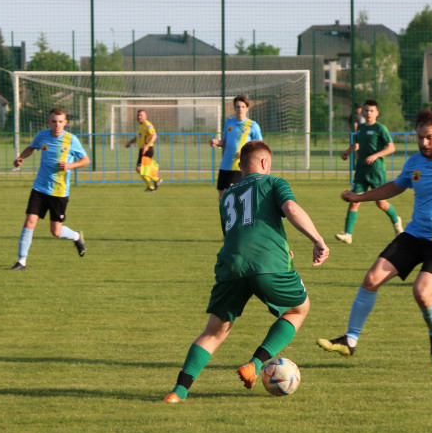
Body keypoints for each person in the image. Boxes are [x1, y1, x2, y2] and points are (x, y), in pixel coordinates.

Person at [317, 109, 432, 368]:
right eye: (420, 137)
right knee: (371, 279)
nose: (424, 143)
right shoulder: (415, 162)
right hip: (413, 236)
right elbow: (396, 186)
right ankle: (350, 340)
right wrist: (359, 198)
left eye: (429, 138)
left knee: (422, 292)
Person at [163, 140, 330, 403]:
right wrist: (318, 240)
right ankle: (254, 364)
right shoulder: (274, 182)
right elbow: (291, 209)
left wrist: (281, 249)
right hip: (266, 265)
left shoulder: (228, 194)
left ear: (241, 166)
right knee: (299, 309)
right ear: (265, 163)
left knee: (214, 331)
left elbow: (237, 233)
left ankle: (178, 392)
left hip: (230, 266)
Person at [9, 107, 91, 270]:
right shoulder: (42, 136)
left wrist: (70, 165)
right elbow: (32, 147)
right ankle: (22, 261)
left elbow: (85, 160)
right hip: (39, 187)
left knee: (56, 231)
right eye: (54, 121)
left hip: (59, 191)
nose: (57, 125)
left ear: (65, 123)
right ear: (48, 122)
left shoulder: (71, 140)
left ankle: (76, 236)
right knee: (30, 221)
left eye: (60, 122)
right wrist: (20, 158)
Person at [336, 99, 402, 243]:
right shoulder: (360, 128)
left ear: (377, 113)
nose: (369, 113)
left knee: (381, 203)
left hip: (376, 171)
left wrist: (376, 155)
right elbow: (358, 144)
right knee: (354, 200)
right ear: (363, 112)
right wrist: (347, 152)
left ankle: (396, 220)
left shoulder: (380, 128)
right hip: (361, 171)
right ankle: (348, 235)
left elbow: (391, 147)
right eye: (366, 110)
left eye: (372, 110)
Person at [210, 95, 263, 200]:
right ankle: (224, 217)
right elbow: (225, 142)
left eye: (243, 107)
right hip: (225, 165)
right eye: (238, 107)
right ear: (234, 108)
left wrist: (245, 154)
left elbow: (260, 147)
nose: (240, 109)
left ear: (247, 108)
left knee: (233, 196)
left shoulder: (252, 125)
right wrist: (217, 142)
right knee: (221, 197)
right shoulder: (229, 122)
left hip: (239, 166)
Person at [124, 109, 161, 191]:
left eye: (141, 115)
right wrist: (129, 142)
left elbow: (154, 136)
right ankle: (154, 182)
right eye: (138, 115)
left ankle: (154, 183)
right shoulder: (140, 125)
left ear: (146, 116)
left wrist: (147, 146)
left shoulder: (147, 125)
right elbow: (138, 137)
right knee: (142, 169)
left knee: (139, 169)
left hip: (147, 149)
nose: (139, 117)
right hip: (142, 150)